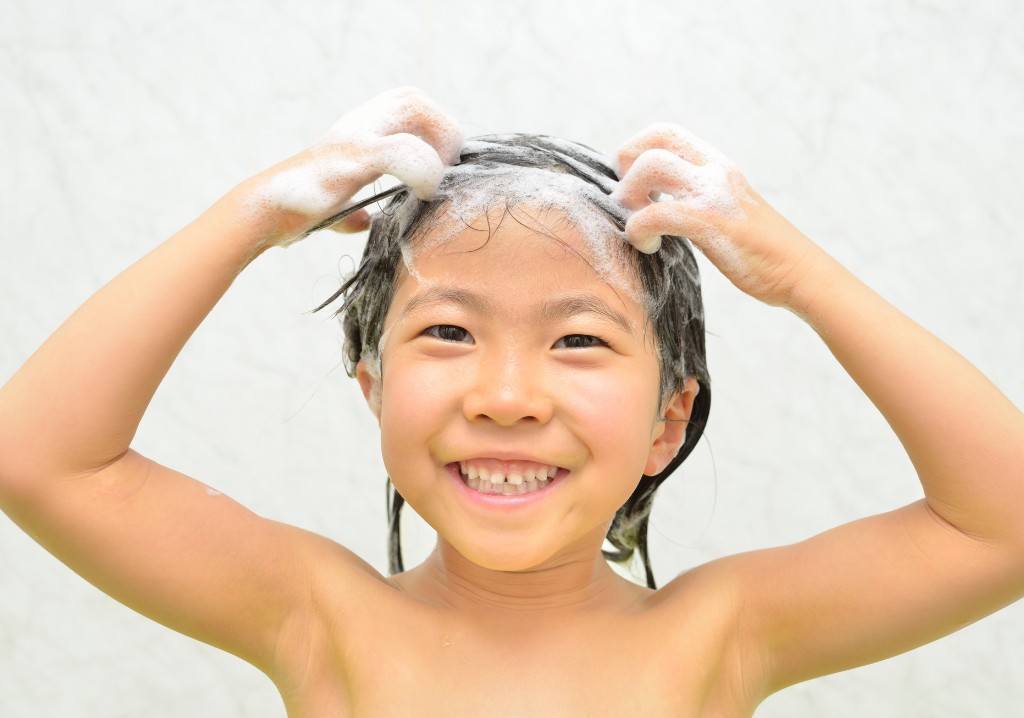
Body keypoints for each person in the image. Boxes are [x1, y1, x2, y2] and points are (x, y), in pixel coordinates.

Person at [0, 86, 1021, 716]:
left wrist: (796, 271)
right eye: (447, 332)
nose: (504, 395)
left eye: (577, 340)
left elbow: (1004, 520)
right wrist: (260, 209)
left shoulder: (724, 632)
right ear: (374, 389)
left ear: (668, 423)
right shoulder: (316, 614)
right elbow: (38, 456)